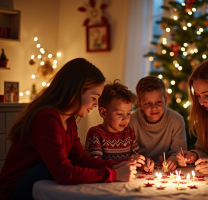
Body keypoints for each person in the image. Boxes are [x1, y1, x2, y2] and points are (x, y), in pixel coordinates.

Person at [0, 58, 139, 200]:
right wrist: (113, 175)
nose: (96, 104)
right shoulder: (46, 118)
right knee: (52, 168)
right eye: (93, 97)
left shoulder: (70, 120)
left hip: (38, 183)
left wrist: (117, 165)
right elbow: (63, 172)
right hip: (13, 192)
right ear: (76, 91)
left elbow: (81, 159)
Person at [85, 80, 154, 172]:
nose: (125, 118)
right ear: (103, 113)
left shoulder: (129, 133)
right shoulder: (95, 134)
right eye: (119, 114)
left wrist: (144, 163)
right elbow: (96, 165)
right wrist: (127, 162)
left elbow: (137, 156)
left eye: (128, 113)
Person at [129, 75, 187, 172]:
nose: (154, 107)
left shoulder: (176, 120)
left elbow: (179, 151)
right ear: (140, 105)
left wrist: (174, 159)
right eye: (148, 103)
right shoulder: (131, 122)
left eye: (158, 102)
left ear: (165, 101)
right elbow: (130, 153)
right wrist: (141, 163)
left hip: (167, 171)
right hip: (140, 171)